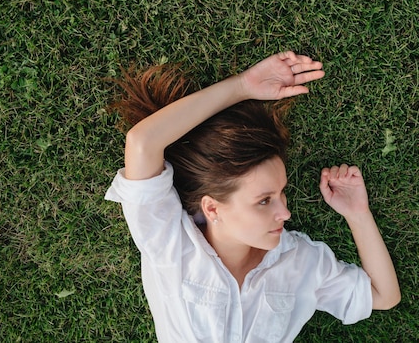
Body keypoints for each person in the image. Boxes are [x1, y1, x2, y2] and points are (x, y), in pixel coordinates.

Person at [105, 51, 401, 342]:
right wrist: (241, 86)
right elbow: (142, 142)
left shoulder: (300, 263)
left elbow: (383, 296)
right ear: (213, 208)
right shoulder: (170, 244)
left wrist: (358, 214)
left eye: (281, 193)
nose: (285, 213)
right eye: (264, 200)